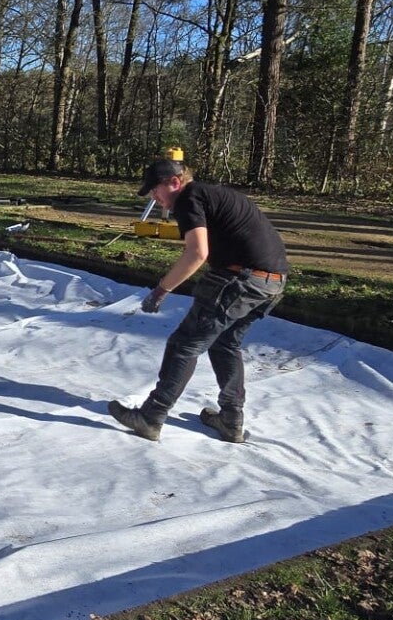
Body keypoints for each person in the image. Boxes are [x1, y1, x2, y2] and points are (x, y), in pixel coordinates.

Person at [107, 157, 289, 443]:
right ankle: (231, 419)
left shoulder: (189, 197)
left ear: (174, 182)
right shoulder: (210, 194)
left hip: (240, 279)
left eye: (155, 190)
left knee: (184, 345)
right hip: (272, 283)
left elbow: (197, 253)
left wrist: (161, 290)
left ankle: (151, 416)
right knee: (225, 344)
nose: (154, 198)